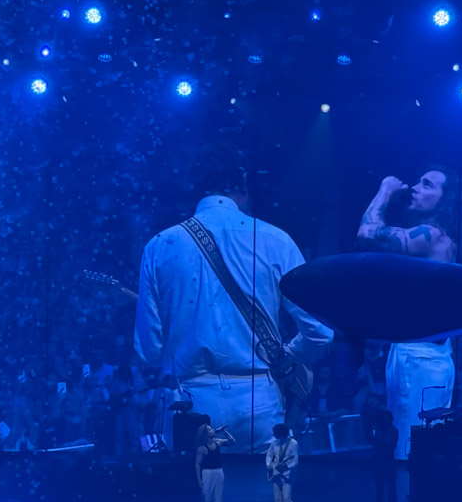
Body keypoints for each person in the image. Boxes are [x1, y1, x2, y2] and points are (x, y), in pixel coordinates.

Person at [134, 141, 333, 452]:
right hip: (260, 401)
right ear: (242, 184)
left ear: (195, 187)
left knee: (196, 499)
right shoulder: (275, 239)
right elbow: (319, 332)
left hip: (189, 404)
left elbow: (149, 350)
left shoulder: (160, 245)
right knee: (264, 498)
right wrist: (286, 357)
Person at [357, 167, 462, 460]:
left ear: (445, 200)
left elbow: (367, 234)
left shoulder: (433, 236)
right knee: (412, 443)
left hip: (421, 356)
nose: (415, 188)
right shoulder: (437, 236)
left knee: (410, 448)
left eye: (427, 185)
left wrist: (385, 189)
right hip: (417, 353)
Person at [196, 423, 235, 502]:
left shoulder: (217, 442)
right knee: (206, 500)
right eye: (209, 429)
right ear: (205, 433)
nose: (212, 429)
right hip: (207, 473)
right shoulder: (202, 448)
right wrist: (199, 479)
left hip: (218, 472)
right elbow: (197, 464)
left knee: (218, 500)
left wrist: (223, 432)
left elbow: (232, 442)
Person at [265, 423, 299, 502]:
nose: (274, 435)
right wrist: (269, 465)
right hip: (276, 474)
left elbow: (295, 461)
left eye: (276, 434)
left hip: (287, 475)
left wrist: (286, 466)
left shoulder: (293, 443)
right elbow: (269, 455)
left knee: (287, 499)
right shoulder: (275, 443)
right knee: (277, 500)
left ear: (281, 434)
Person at [370, 409, 399, 502]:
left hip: (387, 460)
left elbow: (385, 443)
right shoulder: (382, 431)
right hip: (380, 459)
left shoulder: (393, 431)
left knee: (390, 485)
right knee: (380, 485)